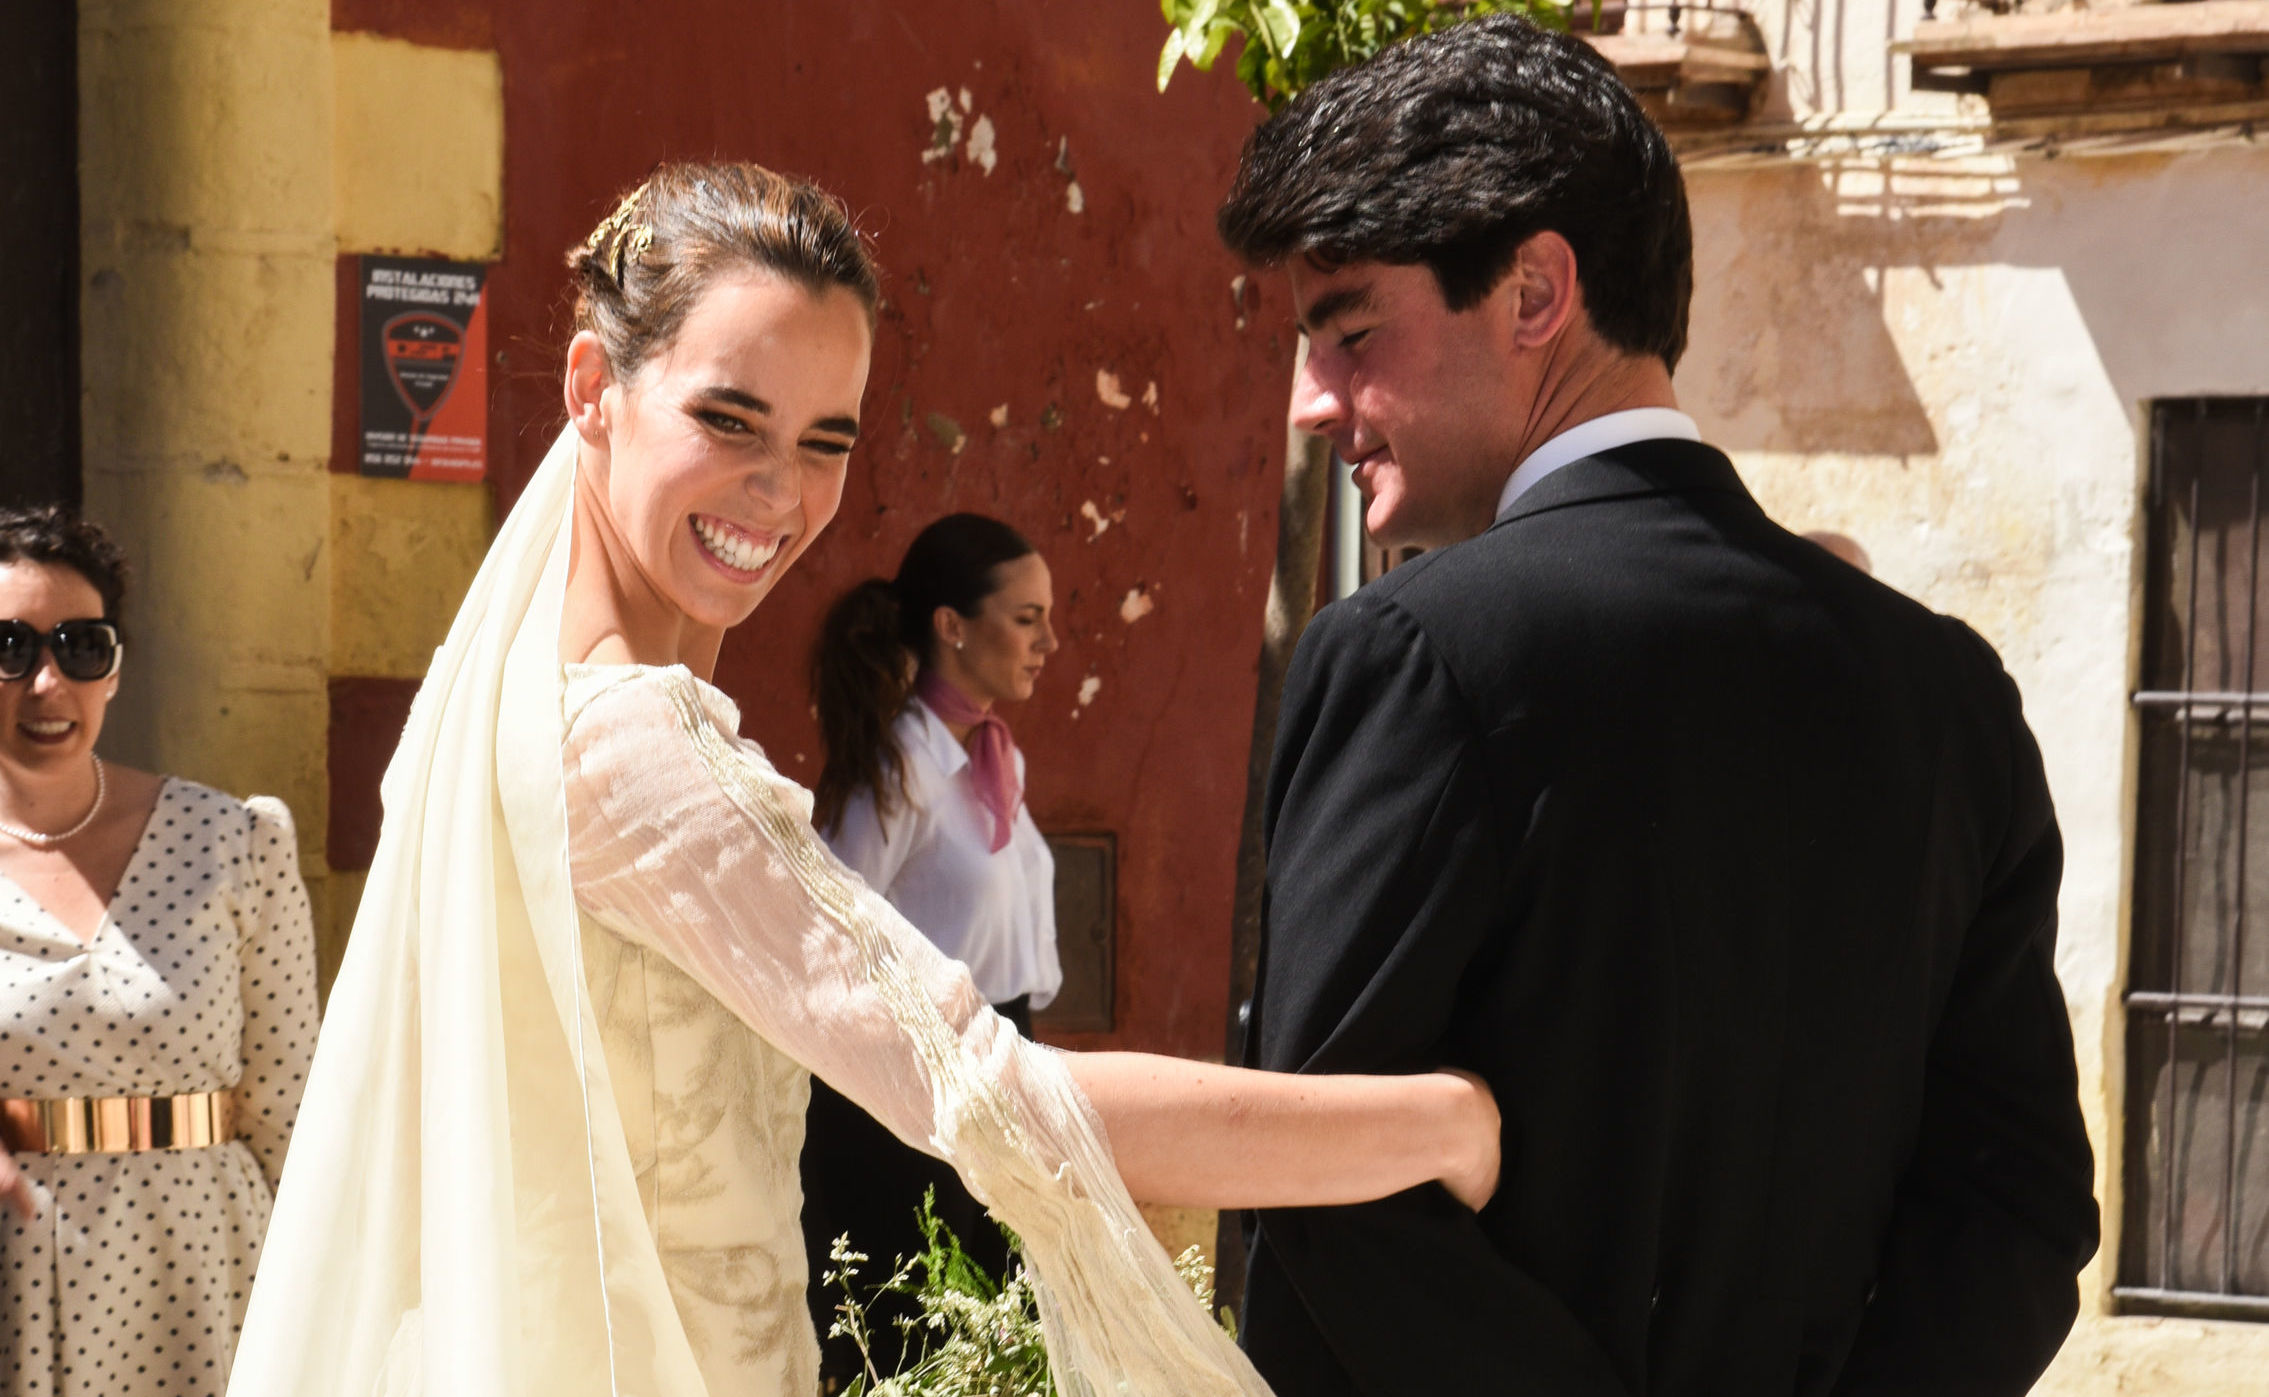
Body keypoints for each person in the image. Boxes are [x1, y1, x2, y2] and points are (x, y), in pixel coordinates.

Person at [227, 161, 1500, 1397]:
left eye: (825, 439)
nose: (779, 491)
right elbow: (993, 1091)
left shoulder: (504, 694)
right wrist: (1440, 1124)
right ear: (592, 387)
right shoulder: (630, 742)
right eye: (729, 419)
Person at [1215, 16, 2098, 1397]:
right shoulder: (1948, 692)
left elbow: (1320, 1182)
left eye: (1349, 330)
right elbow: (2017, 1214)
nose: (1309, 404)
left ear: (1533, 292)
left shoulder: (1411, 653)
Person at [0, 506, 319, 1396]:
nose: (46, 682)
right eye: (10, 648)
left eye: (81, 647)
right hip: (16, 1281)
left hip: (208, 1276)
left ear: (114, 669)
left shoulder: (235, 841)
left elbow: (293, 1112)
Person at [801, 514, 1062, 1383]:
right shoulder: (899, 771)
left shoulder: (992, 762)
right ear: (952, 625)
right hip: (913, 1100)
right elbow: (826, 936)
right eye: (1026, 618)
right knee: (915, 1345)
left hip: (998, 1068)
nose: (1048, 642)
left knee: (997, 1341)